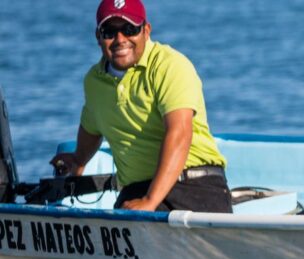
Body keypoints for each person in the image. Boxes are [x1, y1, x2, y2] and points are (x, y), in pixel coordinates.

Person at [50, 0, 232, 213]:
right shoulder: (94, 81)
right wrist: (78, 160)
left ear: (146, 30)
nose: (120, 39)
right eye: (110, 31)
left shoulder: (170, 65)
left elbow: (180, 133)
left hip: (195, 185)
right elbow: (91, 128)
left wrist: (150, 200)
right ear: (98, 36)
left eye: (129, 29)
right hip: (135, 191)